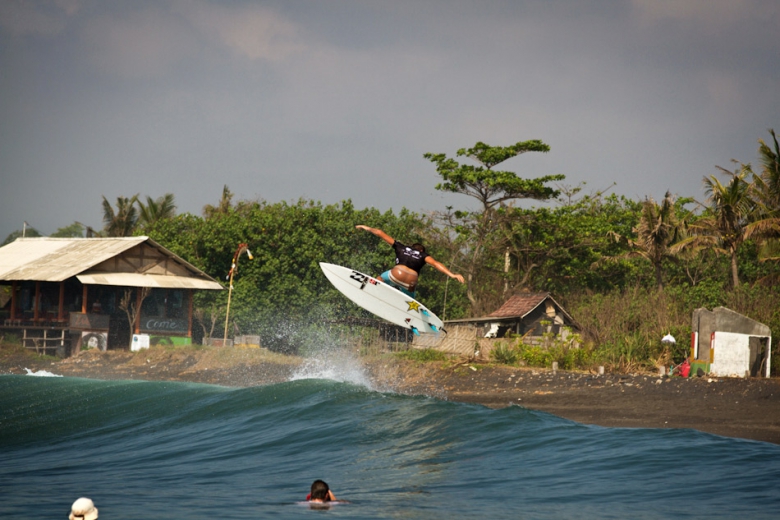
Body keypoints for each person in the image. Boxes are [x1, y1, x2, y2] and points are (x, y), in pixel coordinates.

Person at [356, 225, 465, 297]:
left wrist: (364, 227)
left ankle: (372, 291)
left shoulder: (401, 247)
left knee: (380, 278)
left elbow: (379, 232)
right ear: (421, 250)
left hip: (396, 274)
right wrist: (452, 275)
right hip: (411, 282)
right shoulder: (423, 255)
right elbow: (436, 264)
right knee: (410, 300)